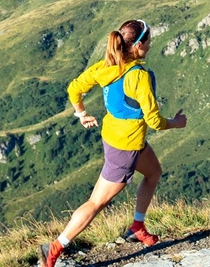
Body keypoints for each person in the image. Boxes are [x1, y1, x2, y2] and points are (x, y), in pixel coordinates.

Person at [40, 19, 188, 267]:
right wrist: (176, 122)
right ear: (139, 45)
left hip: (118, 137)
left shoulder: (105, 67)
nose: (151, 46)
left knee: (153, 173)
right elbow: (154, 121)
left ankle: (137, 227)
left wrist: (81, 114)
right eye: (149, 41)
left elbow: (74, 89)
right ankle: (54, 249)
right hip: (126, 147)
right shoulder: (139, 76)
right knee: (96, 202)